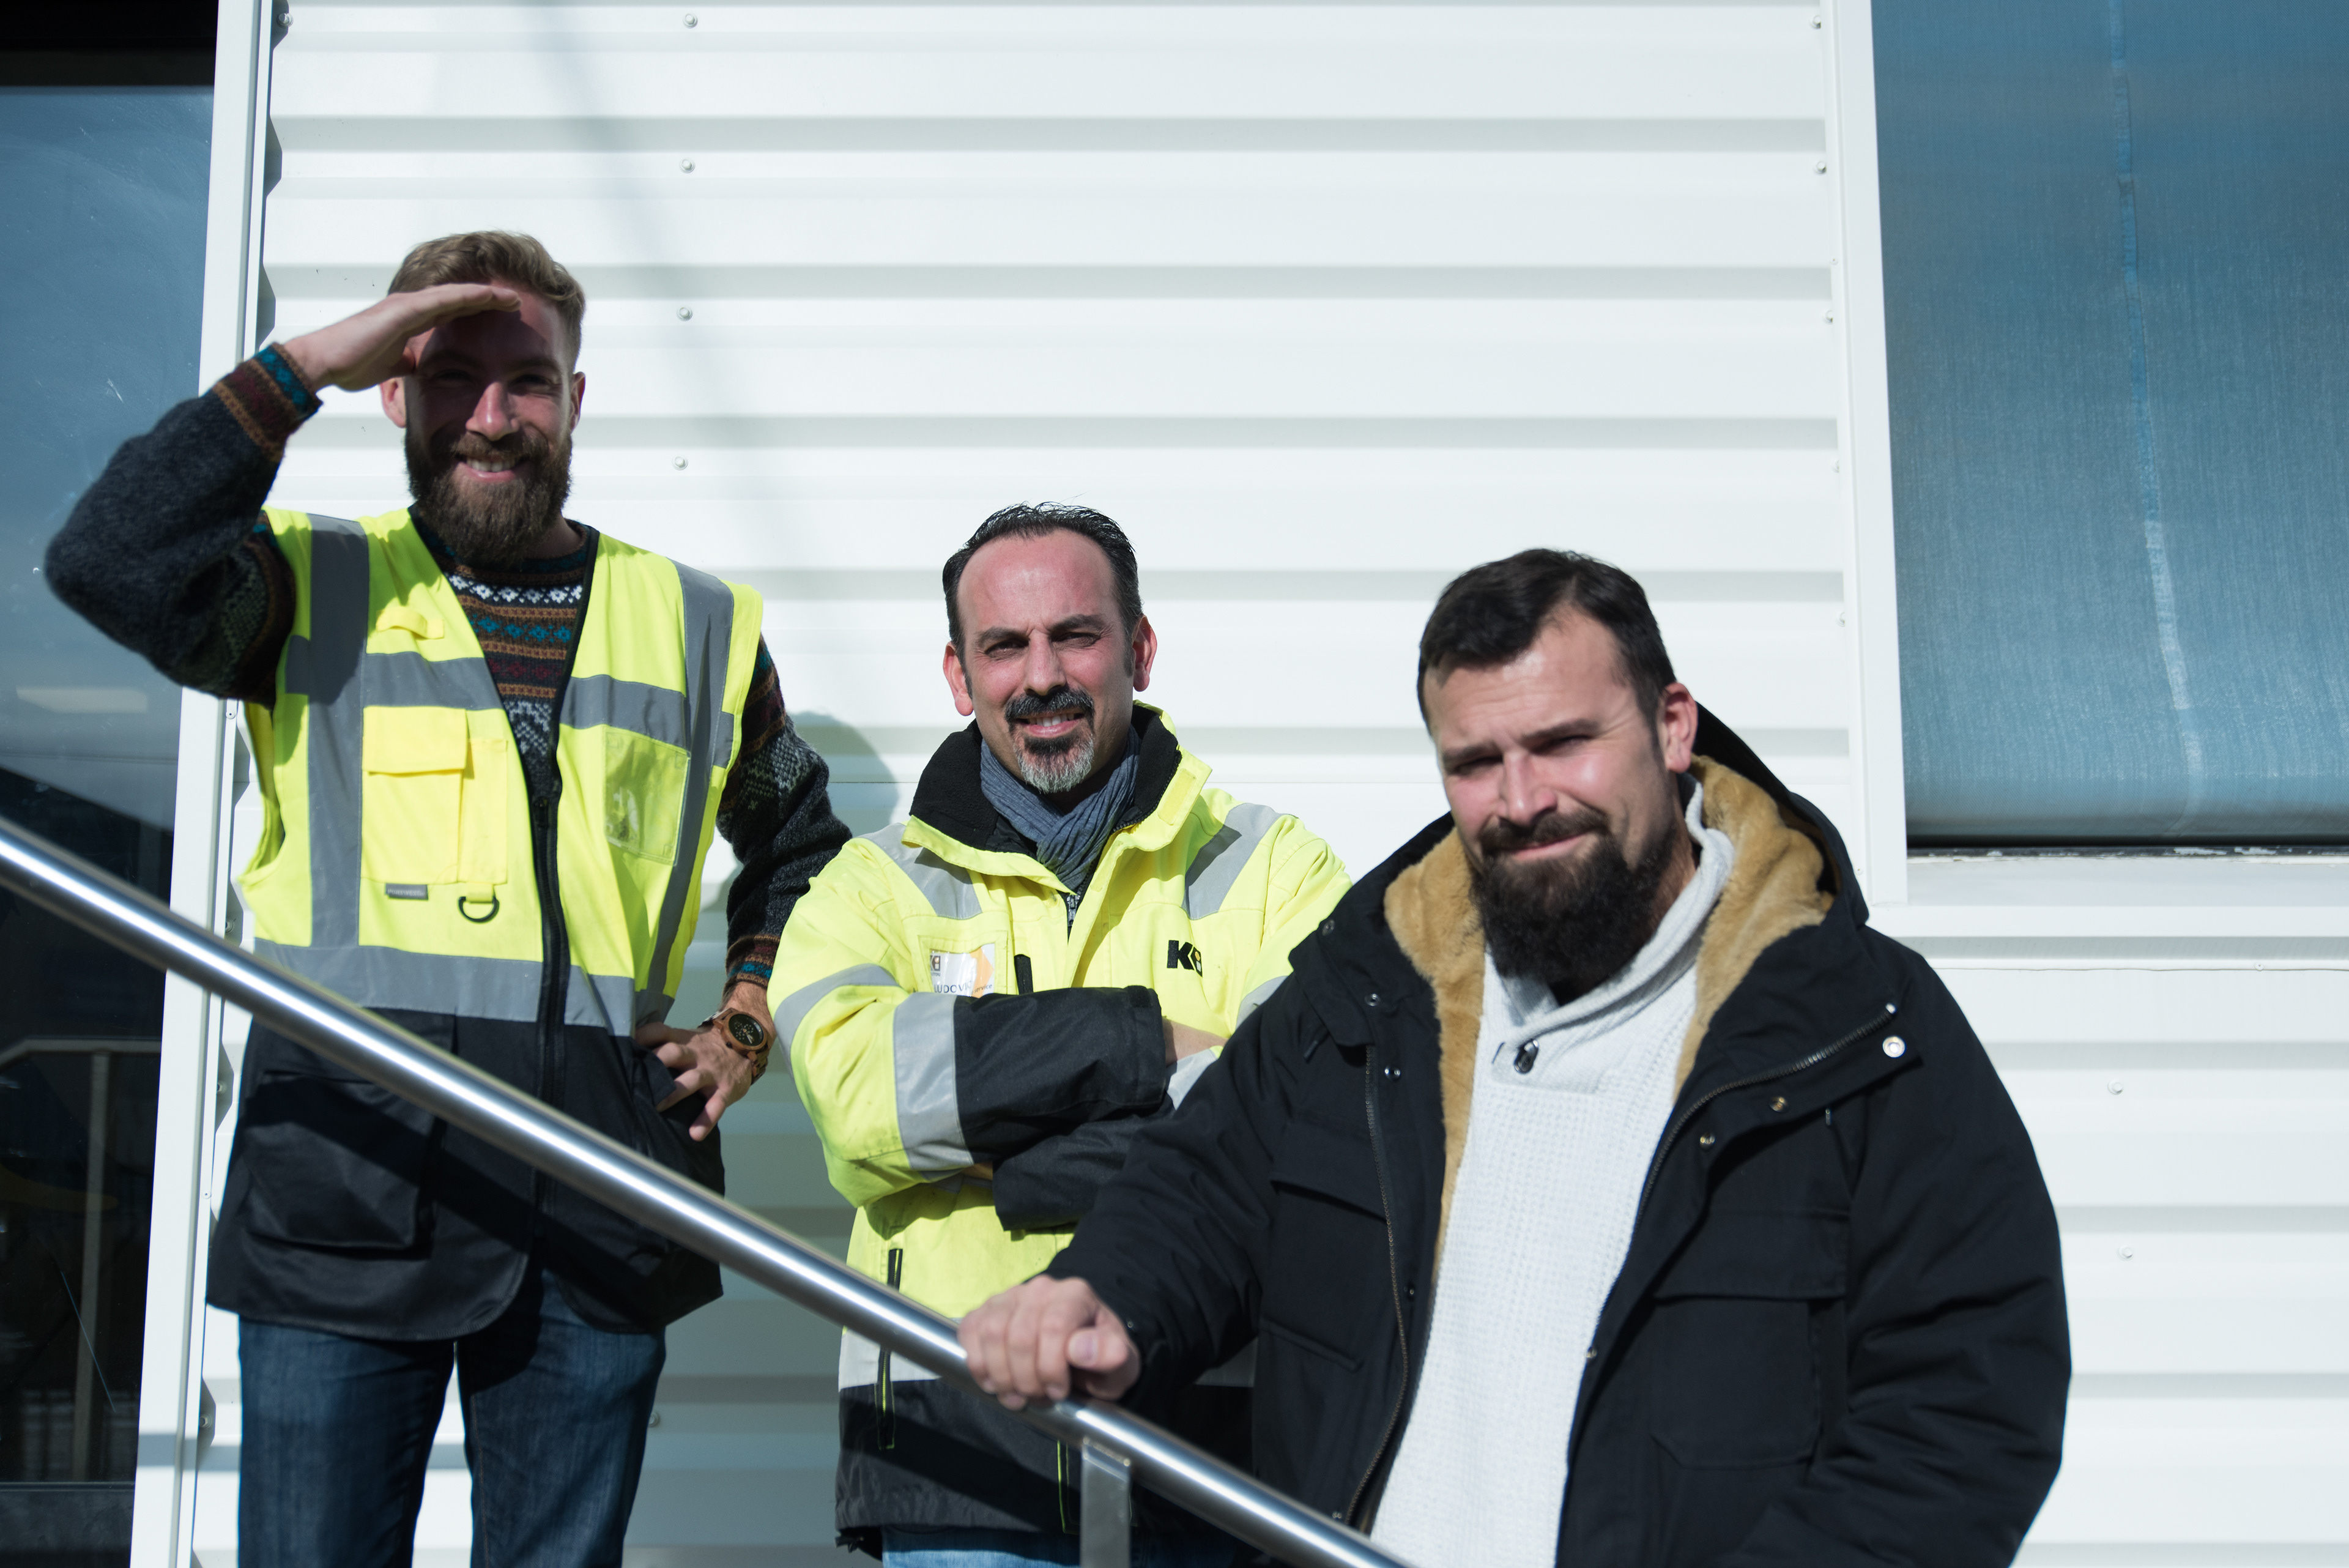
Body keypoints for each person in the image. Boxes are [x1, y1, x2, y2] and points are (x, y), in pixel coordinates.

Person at [959, 549, 2071, 1568]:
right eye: (1477, 762)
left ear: (1672, 726)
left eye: (1564, 743)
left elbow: (1965, 1407)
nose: (1524, 800)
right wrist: (1103, 1296)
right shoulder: (1373, 986)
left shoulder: (1855, 1024)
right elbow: (1206, 1185)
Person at [46, 231, 850, 1567]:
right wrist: (300, 366)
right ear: (391, 391)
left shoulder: (697, 623)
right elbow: (108, 561)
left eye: (526, 381)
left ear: (575, 400)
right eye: (448, 377)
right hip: (344, 1182)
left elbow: (804, 844)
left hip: (599, 1186)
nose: (491, 415)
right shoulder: (300, 586)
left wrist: (745, 1026)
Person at [770, 504, 1350, 1565]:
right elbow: (859, 1106)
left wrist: (1000, 1160)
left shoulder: (1279, 868)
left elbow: (1302, 1128)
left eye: (1075, 636)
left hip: (1213, 1440)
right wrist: (1147, 1042)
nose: (1041, 676)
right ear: (960, 676)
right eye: (1005, 646)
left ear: (1139, 649)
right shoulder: (869, 887)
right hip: (955, 1442)